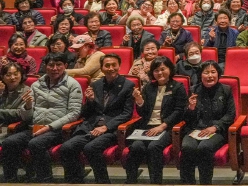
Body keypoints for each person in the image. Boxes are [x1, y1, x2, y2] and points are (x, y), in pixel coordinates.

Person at [2, 52, 82, 182]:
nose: (55, 68)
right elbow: (27, 117)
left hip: (57, 129)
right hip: (35, 127)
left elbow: (74, 113)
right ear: (45, 66)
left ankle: (45, 180)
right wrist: (28, 106)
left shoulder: (72, 85)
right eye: (51, 65)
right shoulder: (36, 85)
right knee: (9, 142)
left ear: (65, 66)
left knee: (36, 143)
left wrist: (49, 127)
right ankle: (10, 181)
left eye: (58, 65)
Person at [60, 54, 135, 184]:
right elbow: (86, 113)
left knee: (91, 148)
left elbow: (126, 114)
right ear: (101, 68)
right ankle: (76, 180)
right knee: (67, 147)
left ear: (119, 66)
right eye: (107, 65)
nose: (110, 68)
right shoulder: (96, 84)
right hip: (91, 127)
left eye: (114, 65)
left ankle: (103, 182)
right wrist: (89, 101)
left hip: (111, 129)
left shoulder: (127, 85)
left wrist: (106, 127)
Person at [125, 56, 188, 184]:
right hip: (147, 127)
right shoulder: (149, 87)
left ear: (170, 69)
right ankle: (131, 180)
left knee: (154, 147)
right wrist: (139, 101)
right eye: (156, 70)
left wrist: (162, 126)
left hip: (167, 127)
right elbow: (143, 113)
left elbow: (179, 111)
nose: (160, 73)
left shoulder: (177, 87)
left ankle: (156, 182)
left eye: (163, 69)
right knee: (136, 146)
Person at [179, 61, 236, 185]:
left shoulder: (226, 90)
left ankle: (205, 183)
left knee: (204, 147)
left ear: (218, 74)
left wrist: (215, 127)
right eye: (206, 72)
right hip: (195, 129)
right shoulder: (194, 90)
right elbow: (187, 118)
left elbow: (230, 115)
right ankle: (188, 183)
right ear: (200, 75)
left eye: (213, 72)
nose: (210, 76)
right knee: (187, 147)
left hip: (217, 131)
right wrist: (191, 108)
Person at [0, 62, 33, 143]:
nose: (12, 77)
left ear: (21, 75)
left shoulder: (27, 91)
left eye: (15, 74)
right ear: (2, 77)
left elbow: (19, 113)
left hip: (10, 128)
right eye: (8, 75)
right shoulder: (2, 90)